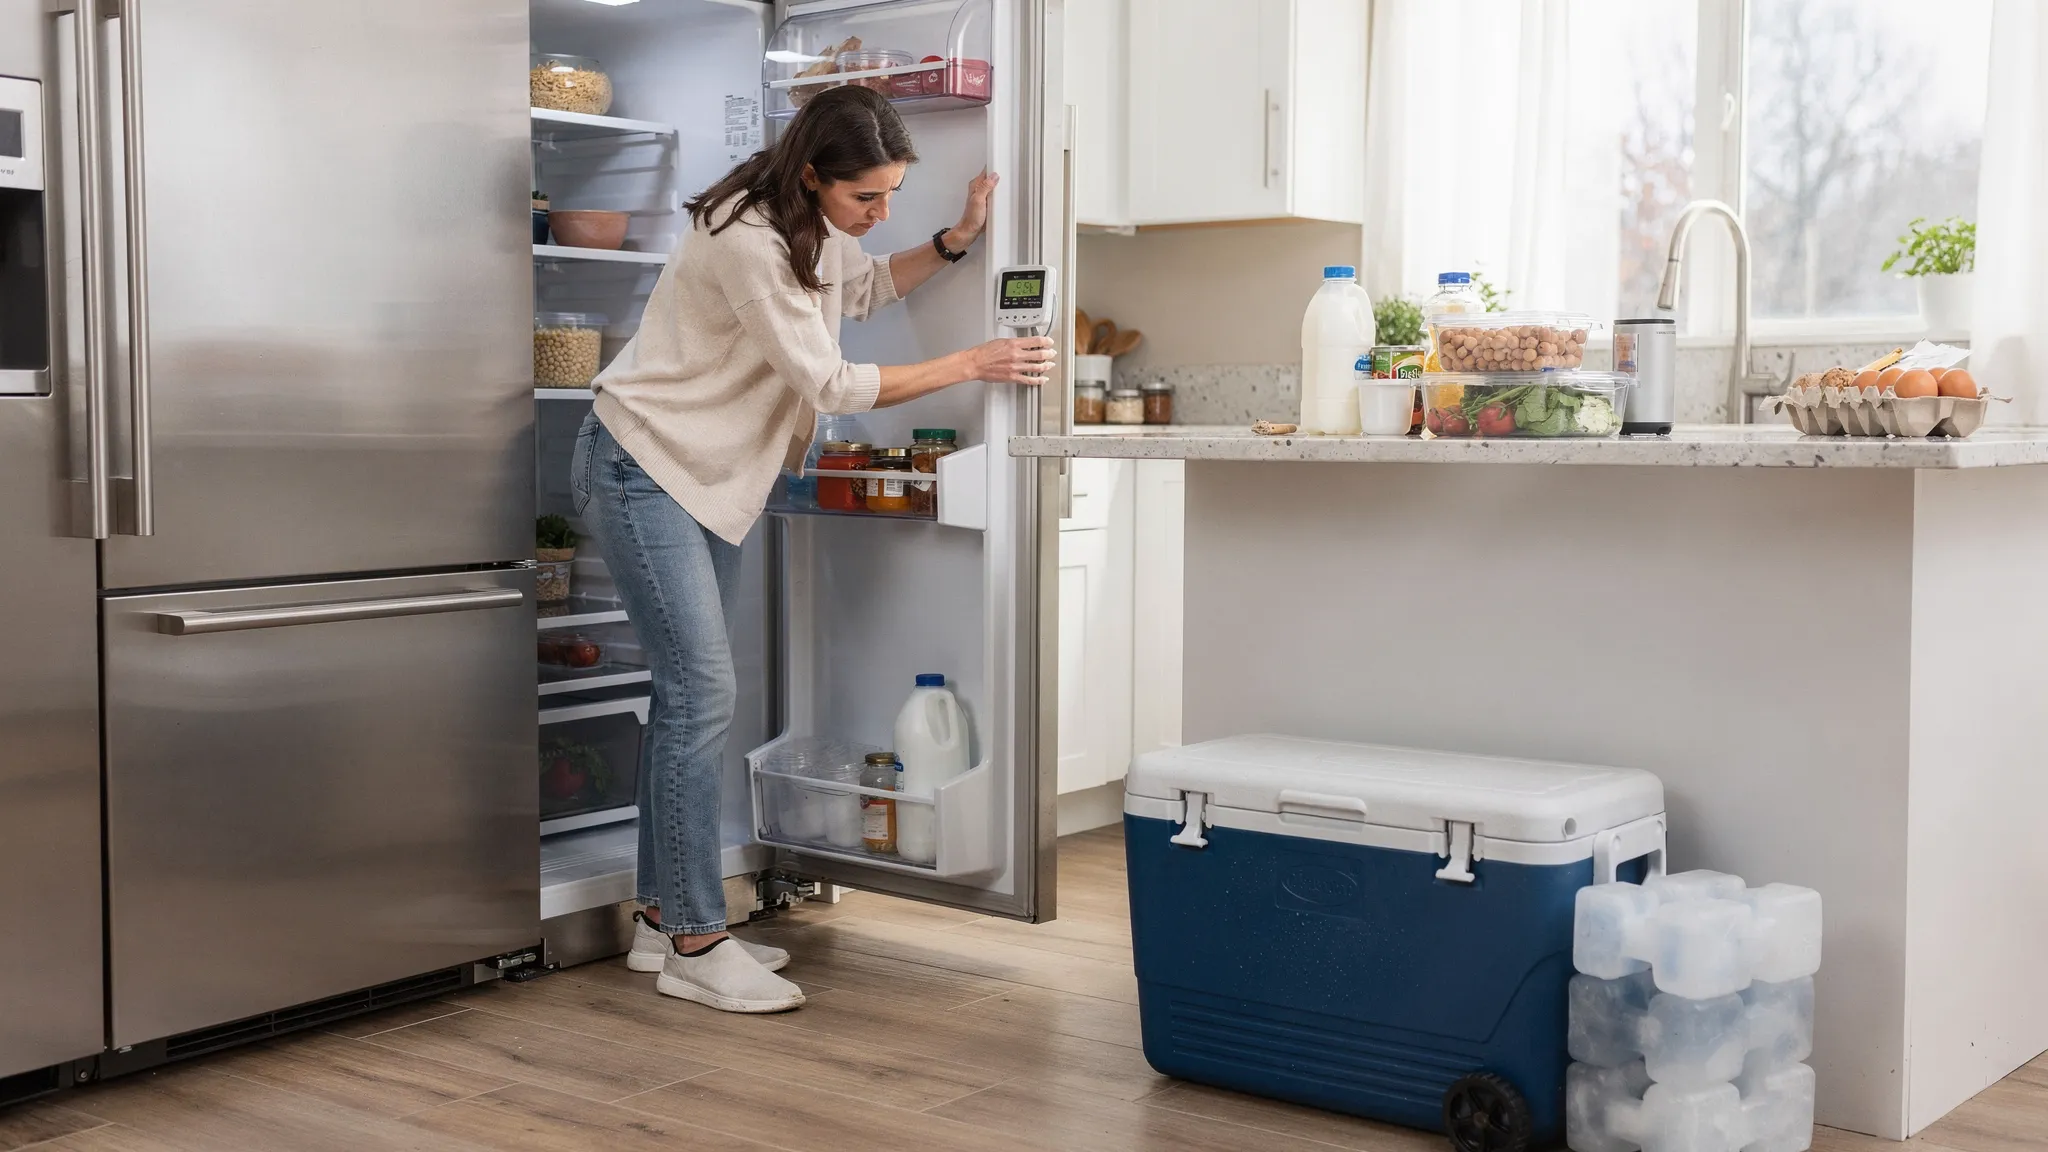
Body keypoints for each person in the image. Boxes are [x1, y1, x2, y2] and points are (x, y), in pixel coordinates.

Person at [569, 85, 1055, 1014]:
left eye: (891, 195)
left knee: (687, 698)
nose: (880, 214)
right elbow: (828, 379)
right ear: (812, 175)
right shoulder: (748, 238)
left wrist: (954, 240)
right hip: (645, 466)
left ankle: (660, 919)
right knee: (702, 692)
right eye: (867, 198)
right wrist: (971, 362)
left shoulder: (814, 225)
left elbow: (862, 289)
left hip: (705, 476)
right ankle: (698, 946)